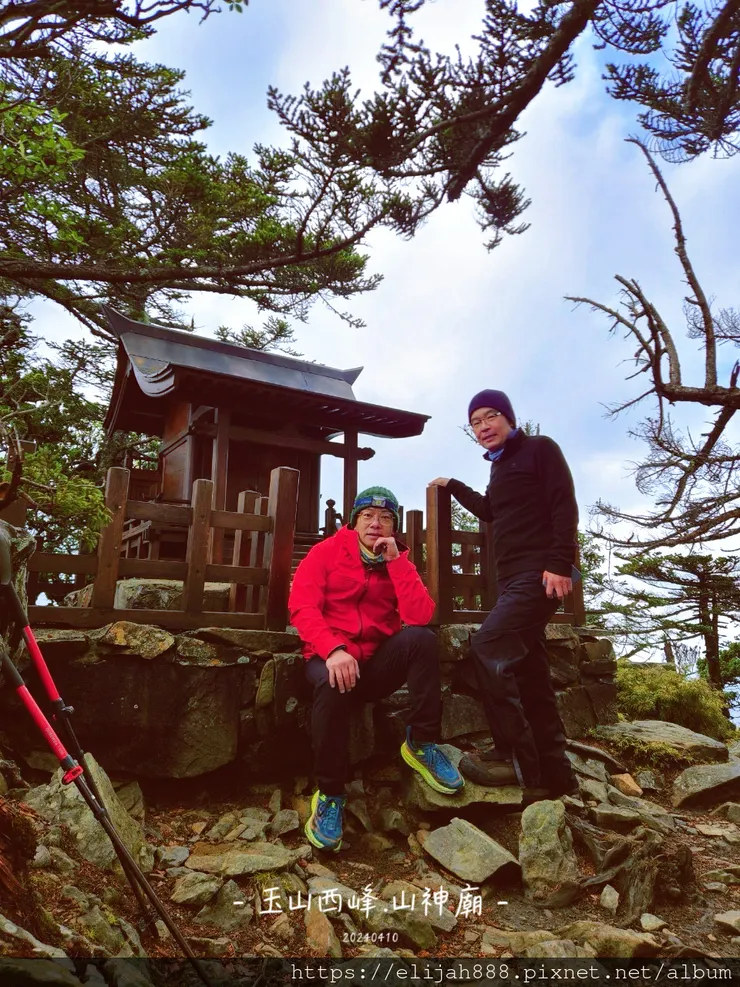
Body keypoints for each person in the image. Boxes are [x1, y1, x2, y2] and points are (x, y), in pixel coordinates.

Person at [289, 485, 464, 851]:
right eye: (367, 516)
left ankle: (422, 744)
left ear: (393, 527)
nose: (376, 524)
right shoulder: (325, 554)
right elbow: (302, 608)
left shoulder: (398, 560)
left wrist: (397, 563)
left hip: (373, 666)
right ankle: (331, 794)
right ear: (353, 522)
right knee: (331, 684)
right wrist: (334, 649)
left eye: (385, 518)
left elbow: (420, 616)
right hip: (328, 660)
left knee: (422, 640)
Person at [430, 389, 579, 801]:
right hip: (513, 578)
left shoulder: (539, 449)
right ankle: (555, 775)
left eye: (490, 416)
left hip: (539, 574)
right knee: (531, 674)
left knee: (488, 646)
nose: (483, 427)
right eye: (475, 423)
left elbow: (563, 503)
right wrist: (454, 485)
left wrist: (560, 562)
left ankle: (515, 758)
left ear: (509, 418)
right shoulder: (499, 468)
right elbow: (490, 509)